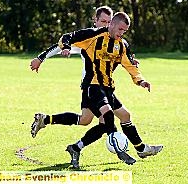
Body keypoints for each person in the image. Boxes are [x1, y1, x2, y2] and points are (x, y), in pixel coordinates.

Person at [30, 9, 163, 168]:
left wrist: (140, 80)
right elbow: (67, 38)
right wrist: (48, 54)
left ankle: (63, 137)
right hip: (92, 85)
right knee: (107, 114)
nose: (122, 33)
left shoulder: (122, 45)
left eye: (125, 31)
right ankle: (125, 149)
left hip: (108, 87)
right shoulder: (93, 35)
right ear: (111, 24)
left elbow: (130, 65)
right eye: (120, 29)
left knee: (109, 117)